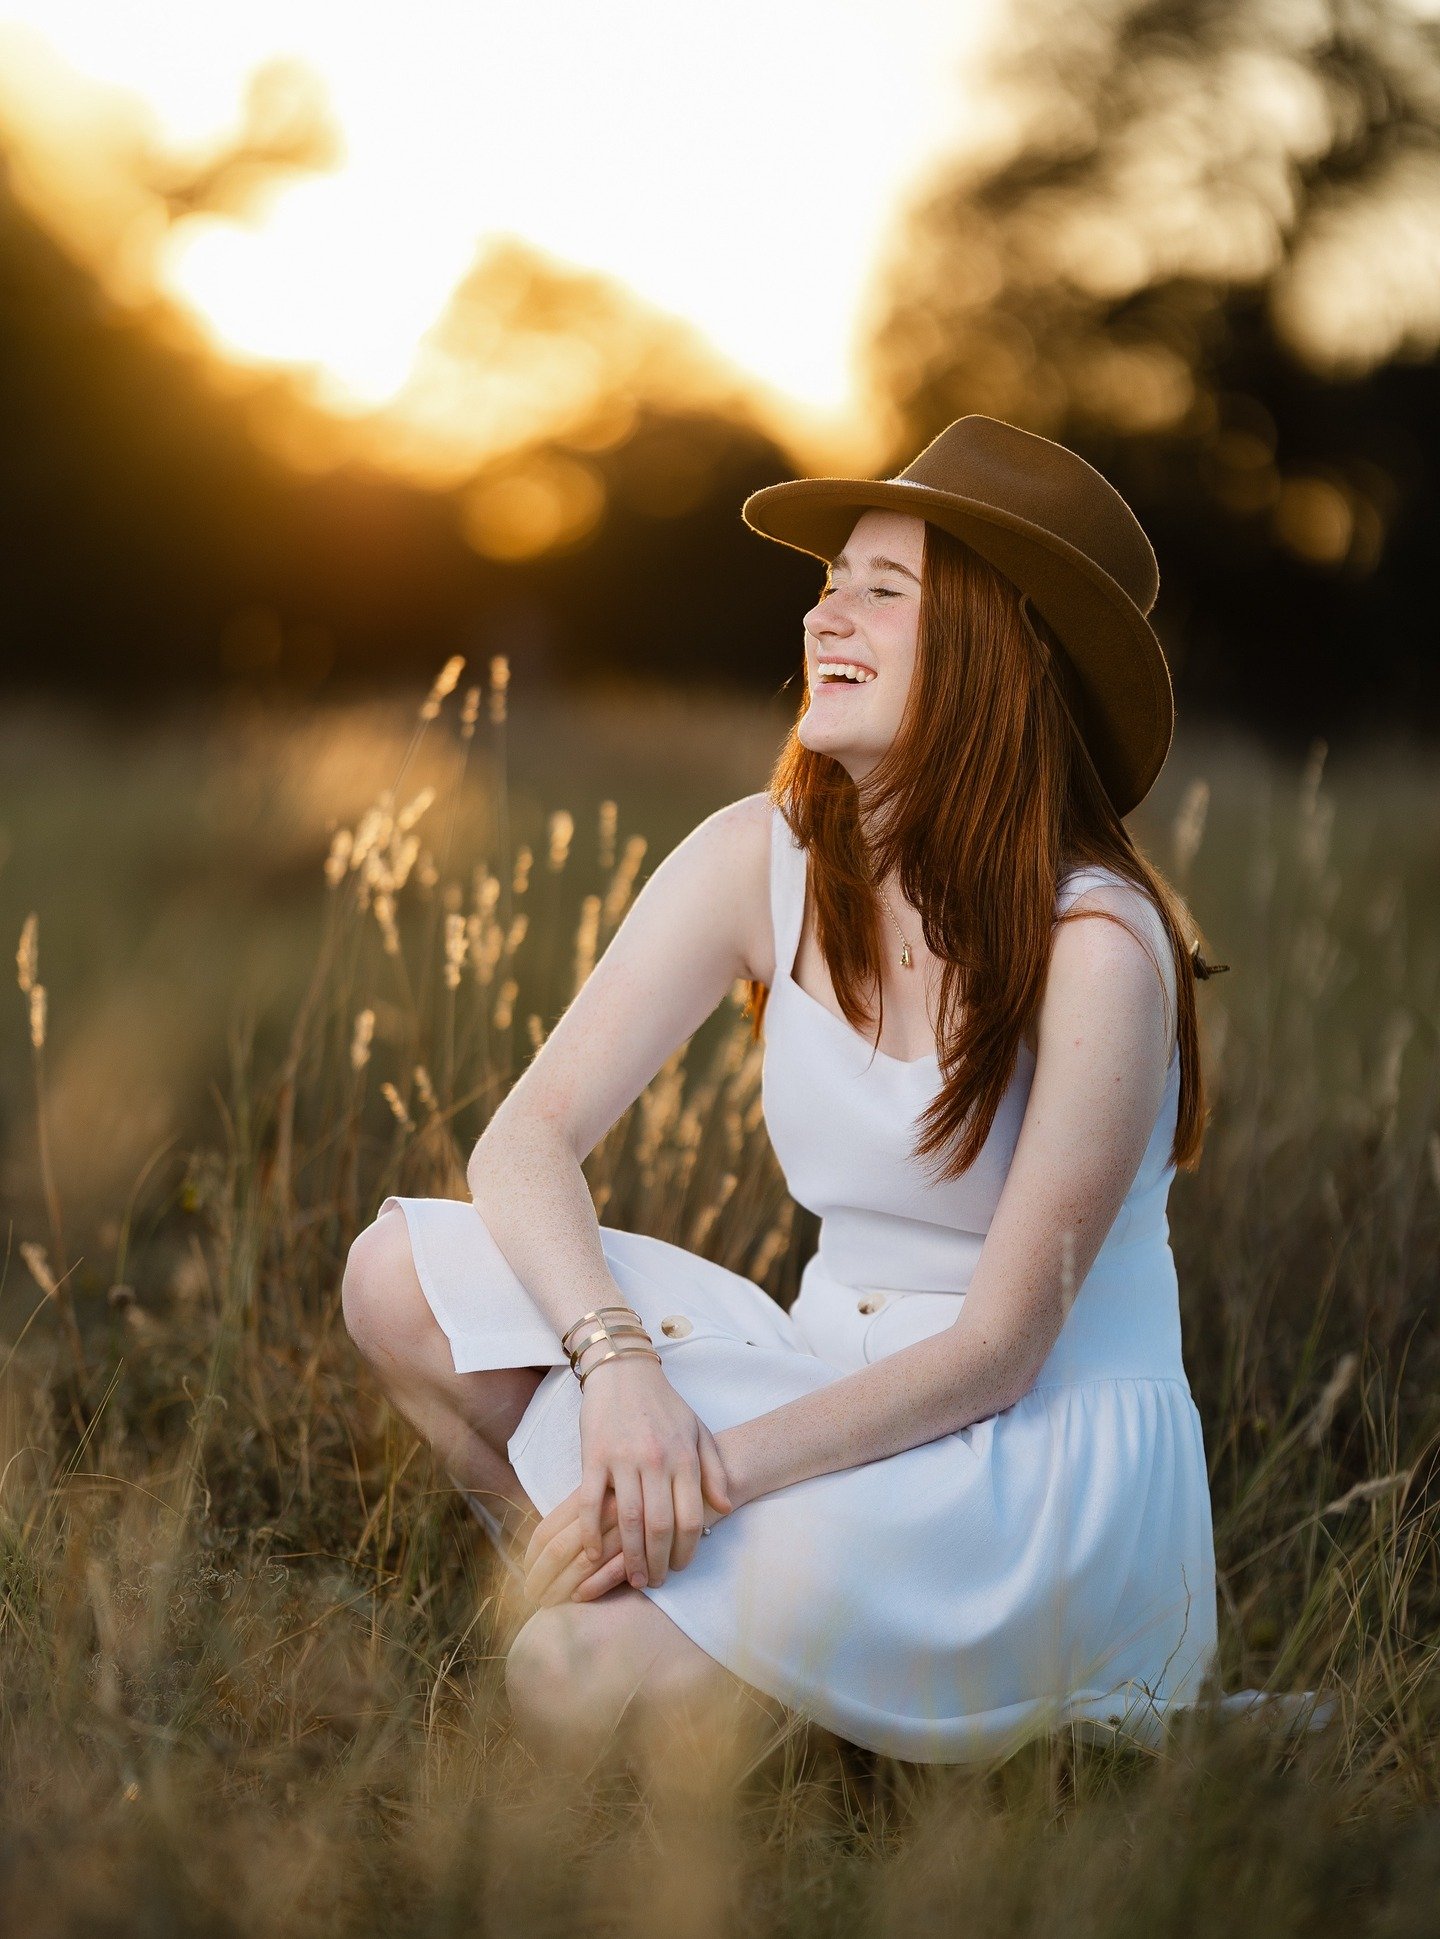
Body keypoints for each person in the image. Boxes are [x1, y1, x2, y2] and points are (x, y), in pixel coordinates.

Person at [341, 413, 1234, 1772]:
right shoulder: (755, 856)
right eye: (832, 582)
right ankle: (626, 1573)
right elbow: (523, 1143)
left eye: (887, 590)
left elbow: (1000, 1353)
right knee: (394, 1272)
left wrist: (710, 1476)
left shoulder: (1098, 945)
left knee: (567, 1679)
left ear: (1005, 657)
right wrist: (622, 1370)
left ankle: (732, 1653)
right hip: (823, 1378)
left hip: (1021, 1467)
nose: (831, 613)